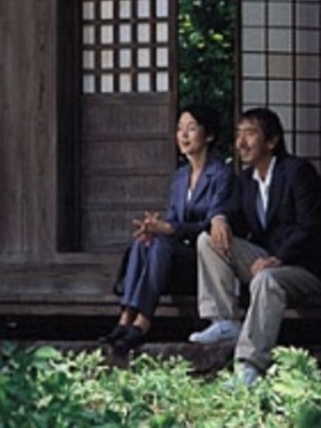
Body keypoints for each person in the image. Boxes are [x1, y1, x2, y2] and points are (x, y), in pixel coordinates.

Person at [188, 107, 321, 386]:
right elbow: (231, 213)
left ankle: (249, 365)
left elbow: (312, 227)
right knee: (209, 240)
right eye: (238, 134)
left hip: (306, 267)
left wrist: (279, 258)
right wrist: (219, 218)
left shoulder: (297, 172)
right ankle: (224, 321)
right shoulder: (246, 180)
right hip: (268, 260)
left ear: (272, 141)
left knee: (266, 279)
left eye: (250, 134)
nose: (241, 143)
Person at [100, 105, 234, 353]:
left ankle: (143, 322)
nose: (183, 135)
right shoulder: (180, 176)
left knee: (161, 244)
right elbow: (172, 221)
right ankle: (126, 319)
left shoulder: (221, 173)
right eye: (180, 129)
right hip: (172, 259)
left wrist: (169, 229)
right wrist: (154, 229)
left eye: (191, 128)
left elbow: (209, 225)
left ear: (209, 135)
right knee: (144, 242)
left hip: (203, 261)